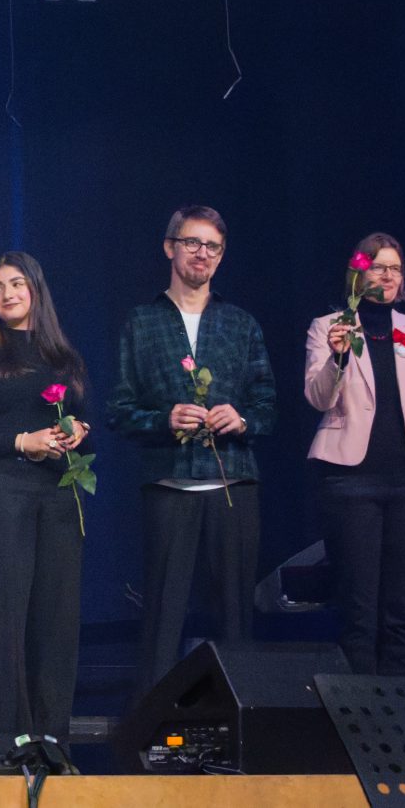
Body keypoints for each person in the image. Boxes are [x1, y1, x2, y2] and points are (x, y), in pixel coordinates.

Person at [107, 205, 277, 701]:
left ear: (221, 256)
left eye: (212, 247)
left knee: (236, 618)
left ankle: (238, 724)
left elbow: (267, 406)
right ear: (170, 247)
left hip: (233, 484)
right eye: (192, 242)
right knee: (163, 617)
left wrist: (241, 420)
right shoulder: (142, 322)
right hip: (170, 484)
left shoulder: (240, 323)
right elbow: (119, 410)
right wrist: (164, 419)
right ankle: (154, 728)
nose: (202, 253)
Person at [0, 251, 92, 746]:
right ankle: (7, 740)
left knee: (57, 616)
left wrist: (79, 430)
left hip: (59, 494)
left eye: (16, 284)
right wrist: (20, 441)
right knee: (6, 613)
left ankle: (53, 739)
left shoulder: (64, 358)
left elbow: (89, 425)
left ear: (35, 289)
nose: (7, 294)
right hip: (3, 492)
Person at [300, 232, 405, 676]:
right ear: (359, 273)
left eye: (395, 269)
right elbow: (318, 398)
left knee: (402, 610)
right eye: (378, 267)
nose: (388, 276)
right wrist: (337, 358)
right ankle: (360, 710)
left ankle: (400, 711)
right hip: (350, 481)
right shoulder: (328, 325)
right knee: (359, 611)